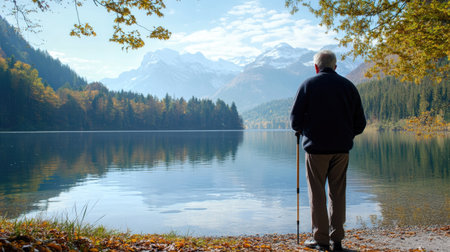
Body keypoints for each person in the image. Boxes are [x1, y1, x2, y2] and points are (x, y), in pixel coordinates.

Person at [290, 50, 366, 251]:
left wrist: (304, 129)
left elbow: (294, 120)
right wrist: (346, 135)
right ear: (335, 67)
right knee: (337, 193)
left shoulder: (308, 85)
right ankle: (338, 240)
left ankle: (321, 239)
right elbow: (360, 123)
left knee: (317, 194)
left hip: (316, 150)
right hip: (341, 150)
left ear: (316, 67)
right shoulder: (348, 87)